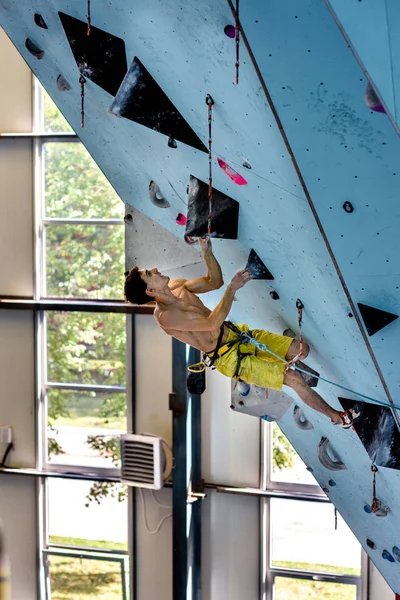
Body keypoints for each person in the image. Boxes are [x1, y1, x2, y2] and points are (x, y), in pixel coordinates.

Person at [124, 237, 356, 427]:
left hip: (237, 334)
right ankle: (338, 417)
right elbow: (212, 324)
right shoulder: (166, 318)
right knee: (293, 378)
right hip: (230, 358)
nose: (154, 269)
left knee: (302, 351)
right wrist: (232, 289)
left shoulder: (177, 285)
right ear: (151, 290)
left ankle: (285, 358)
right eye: (149, 273)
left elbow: (213, 281)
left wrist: (207, 253)